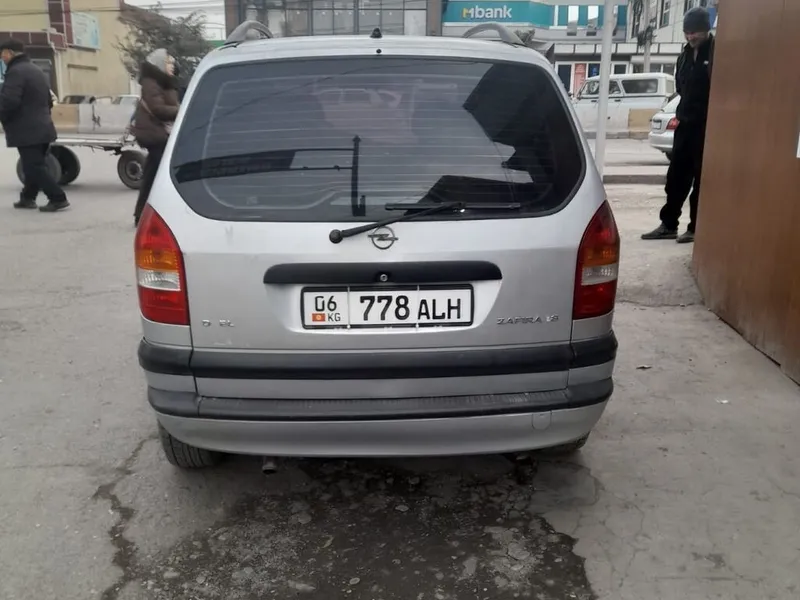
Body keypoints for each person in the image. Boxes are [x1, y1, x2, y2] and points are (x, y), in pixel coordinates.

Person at [642, 7, 715, 244]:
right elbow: (681, 88)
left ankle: (695, 228)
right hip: (685, 125)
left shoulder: (716, 52)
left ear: (706, 30)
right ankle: (669, 225)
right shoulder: (683, 56)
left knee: (701, 180)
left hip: (706, 127)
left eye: (696, 32)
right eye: (687, 32)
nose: (691, 36)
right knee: (675, 178)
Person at [0, 39, 69, 212]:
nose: (2, 58)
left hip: (27, 129)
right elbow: (49, 100)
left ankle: (58, 198)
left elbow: (9, 101)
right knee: (32, 164)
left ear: (10, 52)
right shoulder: (35, 70)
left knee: (33, 166)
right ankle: (27, 198)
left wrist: (4, 117)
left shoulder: (15, 72)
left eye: (2, 54)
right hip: (43, 126)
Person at [131, 49, 180, 227]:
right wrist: (181, 110)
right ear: (160, 64)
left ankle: (142, 214)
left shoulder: (163, 81)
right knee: (158, 177)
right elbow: (158, 109)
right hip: (155, 133)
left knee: (153, 175)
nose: (172, 66)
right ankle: (144, 215)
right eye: (168, 63)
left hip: (159, 133)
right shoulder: (151, 83)